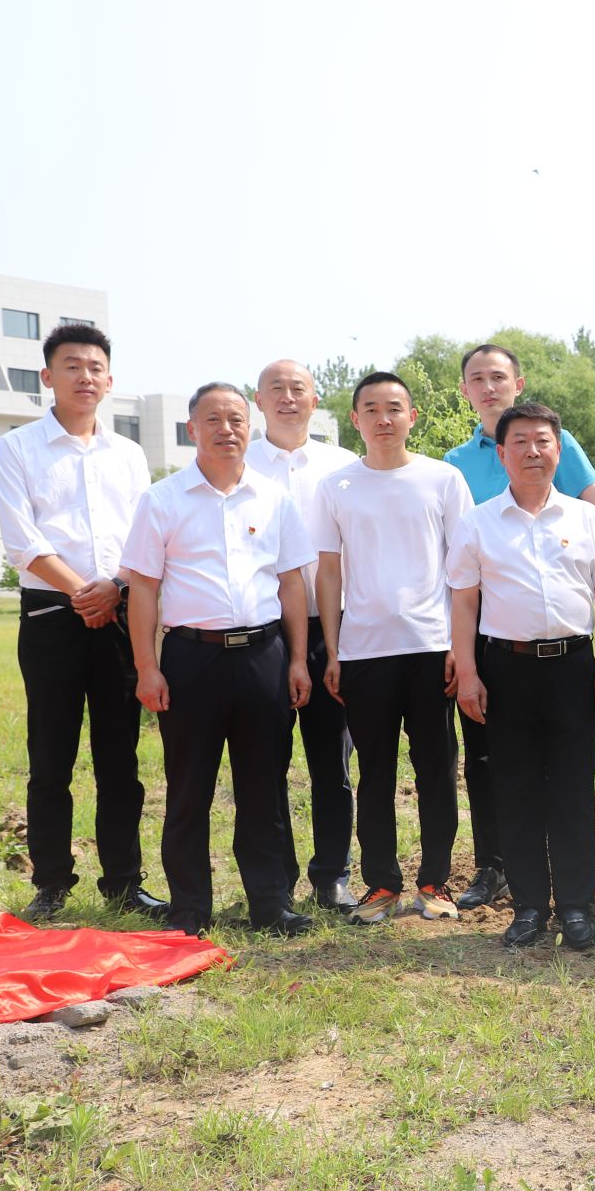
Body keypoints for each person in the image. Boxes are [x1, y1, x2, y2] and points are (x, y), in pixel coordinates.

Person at [443, 343, 595, 912]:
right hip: (503, 666)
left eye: (542, 442)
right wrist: (467, 672)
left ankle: (575, 906)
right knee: (513, 790)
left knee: (572, 791)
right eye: (520, 443)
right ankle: (528, 908)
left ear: (558, 449)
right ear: (502, 453)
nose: (532, 451)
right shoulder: (475, 520)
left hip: (571, 667)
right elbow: (463, 603)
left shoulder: (585, 519)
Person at [120, 382, 315, 937]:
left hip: (263, 656)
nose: (227, 429)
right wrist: (147, 667)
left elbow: (292, 584)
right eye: (214, 420)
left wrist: (297, 660)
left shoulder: (274, 499)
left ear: (249, 428)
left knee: (264, 787)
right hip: (191, 659)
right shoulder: (162, 500)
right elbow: (143, 589)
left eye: (236, 419)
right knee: (188, 789)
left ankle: (270, 905)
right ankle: (189, 909)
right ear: (192, 429)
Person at [0, 322, 166, 922]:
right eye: (71, 366)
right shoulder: (18, 447)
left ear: (109, 381)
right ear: (48, 376)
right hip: (51, 617)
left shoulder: (129, 454)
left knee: (120, 759)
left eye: (95, 368)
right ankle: (51, 884)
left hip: (120, 615)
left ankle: (124, 883)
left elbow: (145, 537)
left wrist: (114, 588)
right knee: (51, 757)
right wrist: (85, 593)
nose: (84, 377)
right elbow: (23, 541)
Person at [317, 373, 475, 927]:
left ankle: (435, 882)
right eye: (371, 409)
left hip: (432, 646)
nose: (383, 419)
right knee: (375, 773)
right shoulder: (336, 486)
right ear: (355, 419)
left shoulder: (443, 479)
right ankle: (381, 883)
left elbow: (463, 567)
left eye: (393, 408)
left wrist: (459, 645)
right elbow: (329, 571)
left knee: (436, 769)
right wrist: (333, 651)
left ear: (412, 416)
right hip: (364, 651)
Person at [246, 359, 361, 911]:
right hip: (263, 634)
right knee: (266, 761)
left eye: (299, 389)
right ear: (258, 400)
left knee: (331, 761)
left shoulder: (344, 466)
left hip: (332, 630)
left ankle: (332, 873)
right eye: (276, 389)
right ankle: (276, 881)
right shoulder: (238, 463)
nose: (288, 397)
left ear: (316, 401)